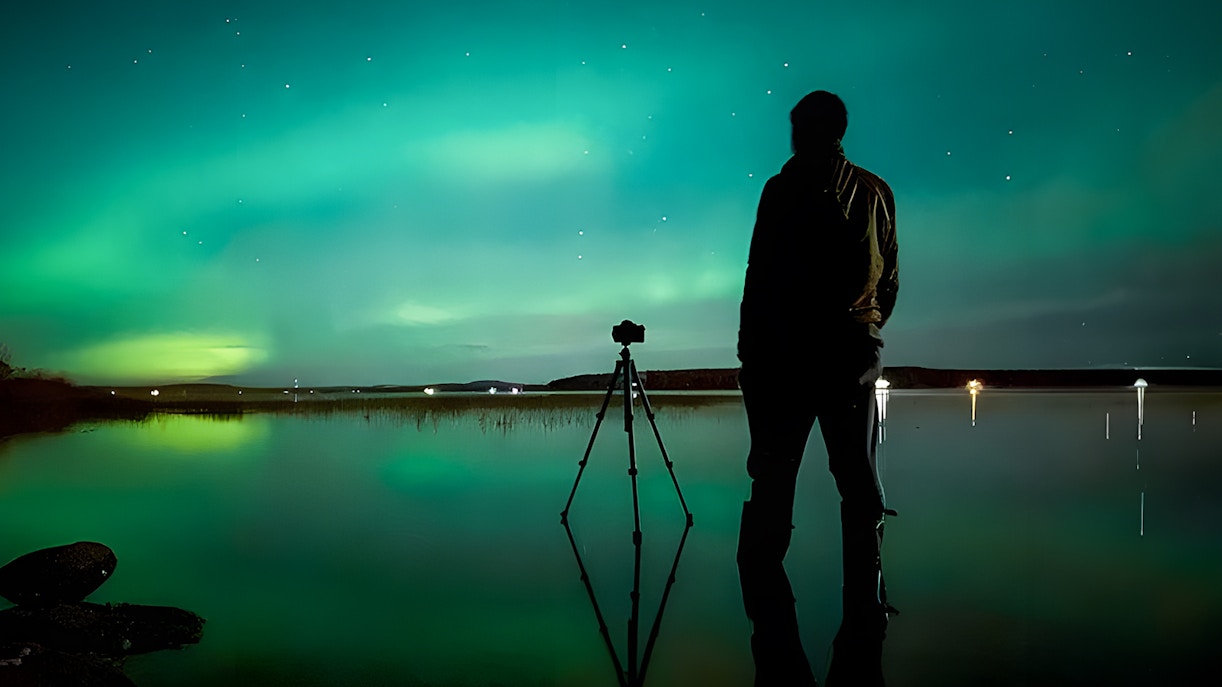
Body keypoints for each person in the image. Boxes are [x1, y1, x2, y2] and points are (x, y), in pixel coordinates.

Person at [735, 90, 898, 686]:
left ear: (806, 131)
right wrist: (868, 326)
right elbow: (892, 278)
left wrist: (751, 350)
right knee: (856, 477)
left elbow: (760, 276)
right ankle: (866, 602)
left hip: (789, 357)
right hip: (855, 352)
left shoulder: (782, 191)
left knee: (775, 473)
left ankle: (764, 593)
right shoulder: (878, 190)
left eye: (796, 127)